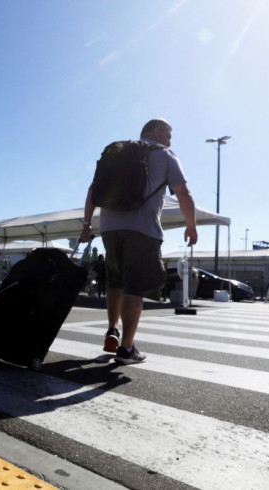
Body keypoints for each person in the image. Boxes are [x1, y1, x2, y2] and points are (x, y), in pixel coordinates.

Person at [80, 119, 198, 364]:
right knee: (134, 287)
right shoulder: (165, 154)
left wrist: (87, 223)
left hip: (110, 228)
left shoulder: (116, 152)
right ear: (157, 132)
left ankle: (112, 329)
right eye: (169, 135)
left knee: (115, 281)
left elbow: (93, 190)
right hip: (142, 229)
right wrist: (191, 225)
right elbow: (184, 193)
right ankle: (126, 349)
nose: (170, 141)